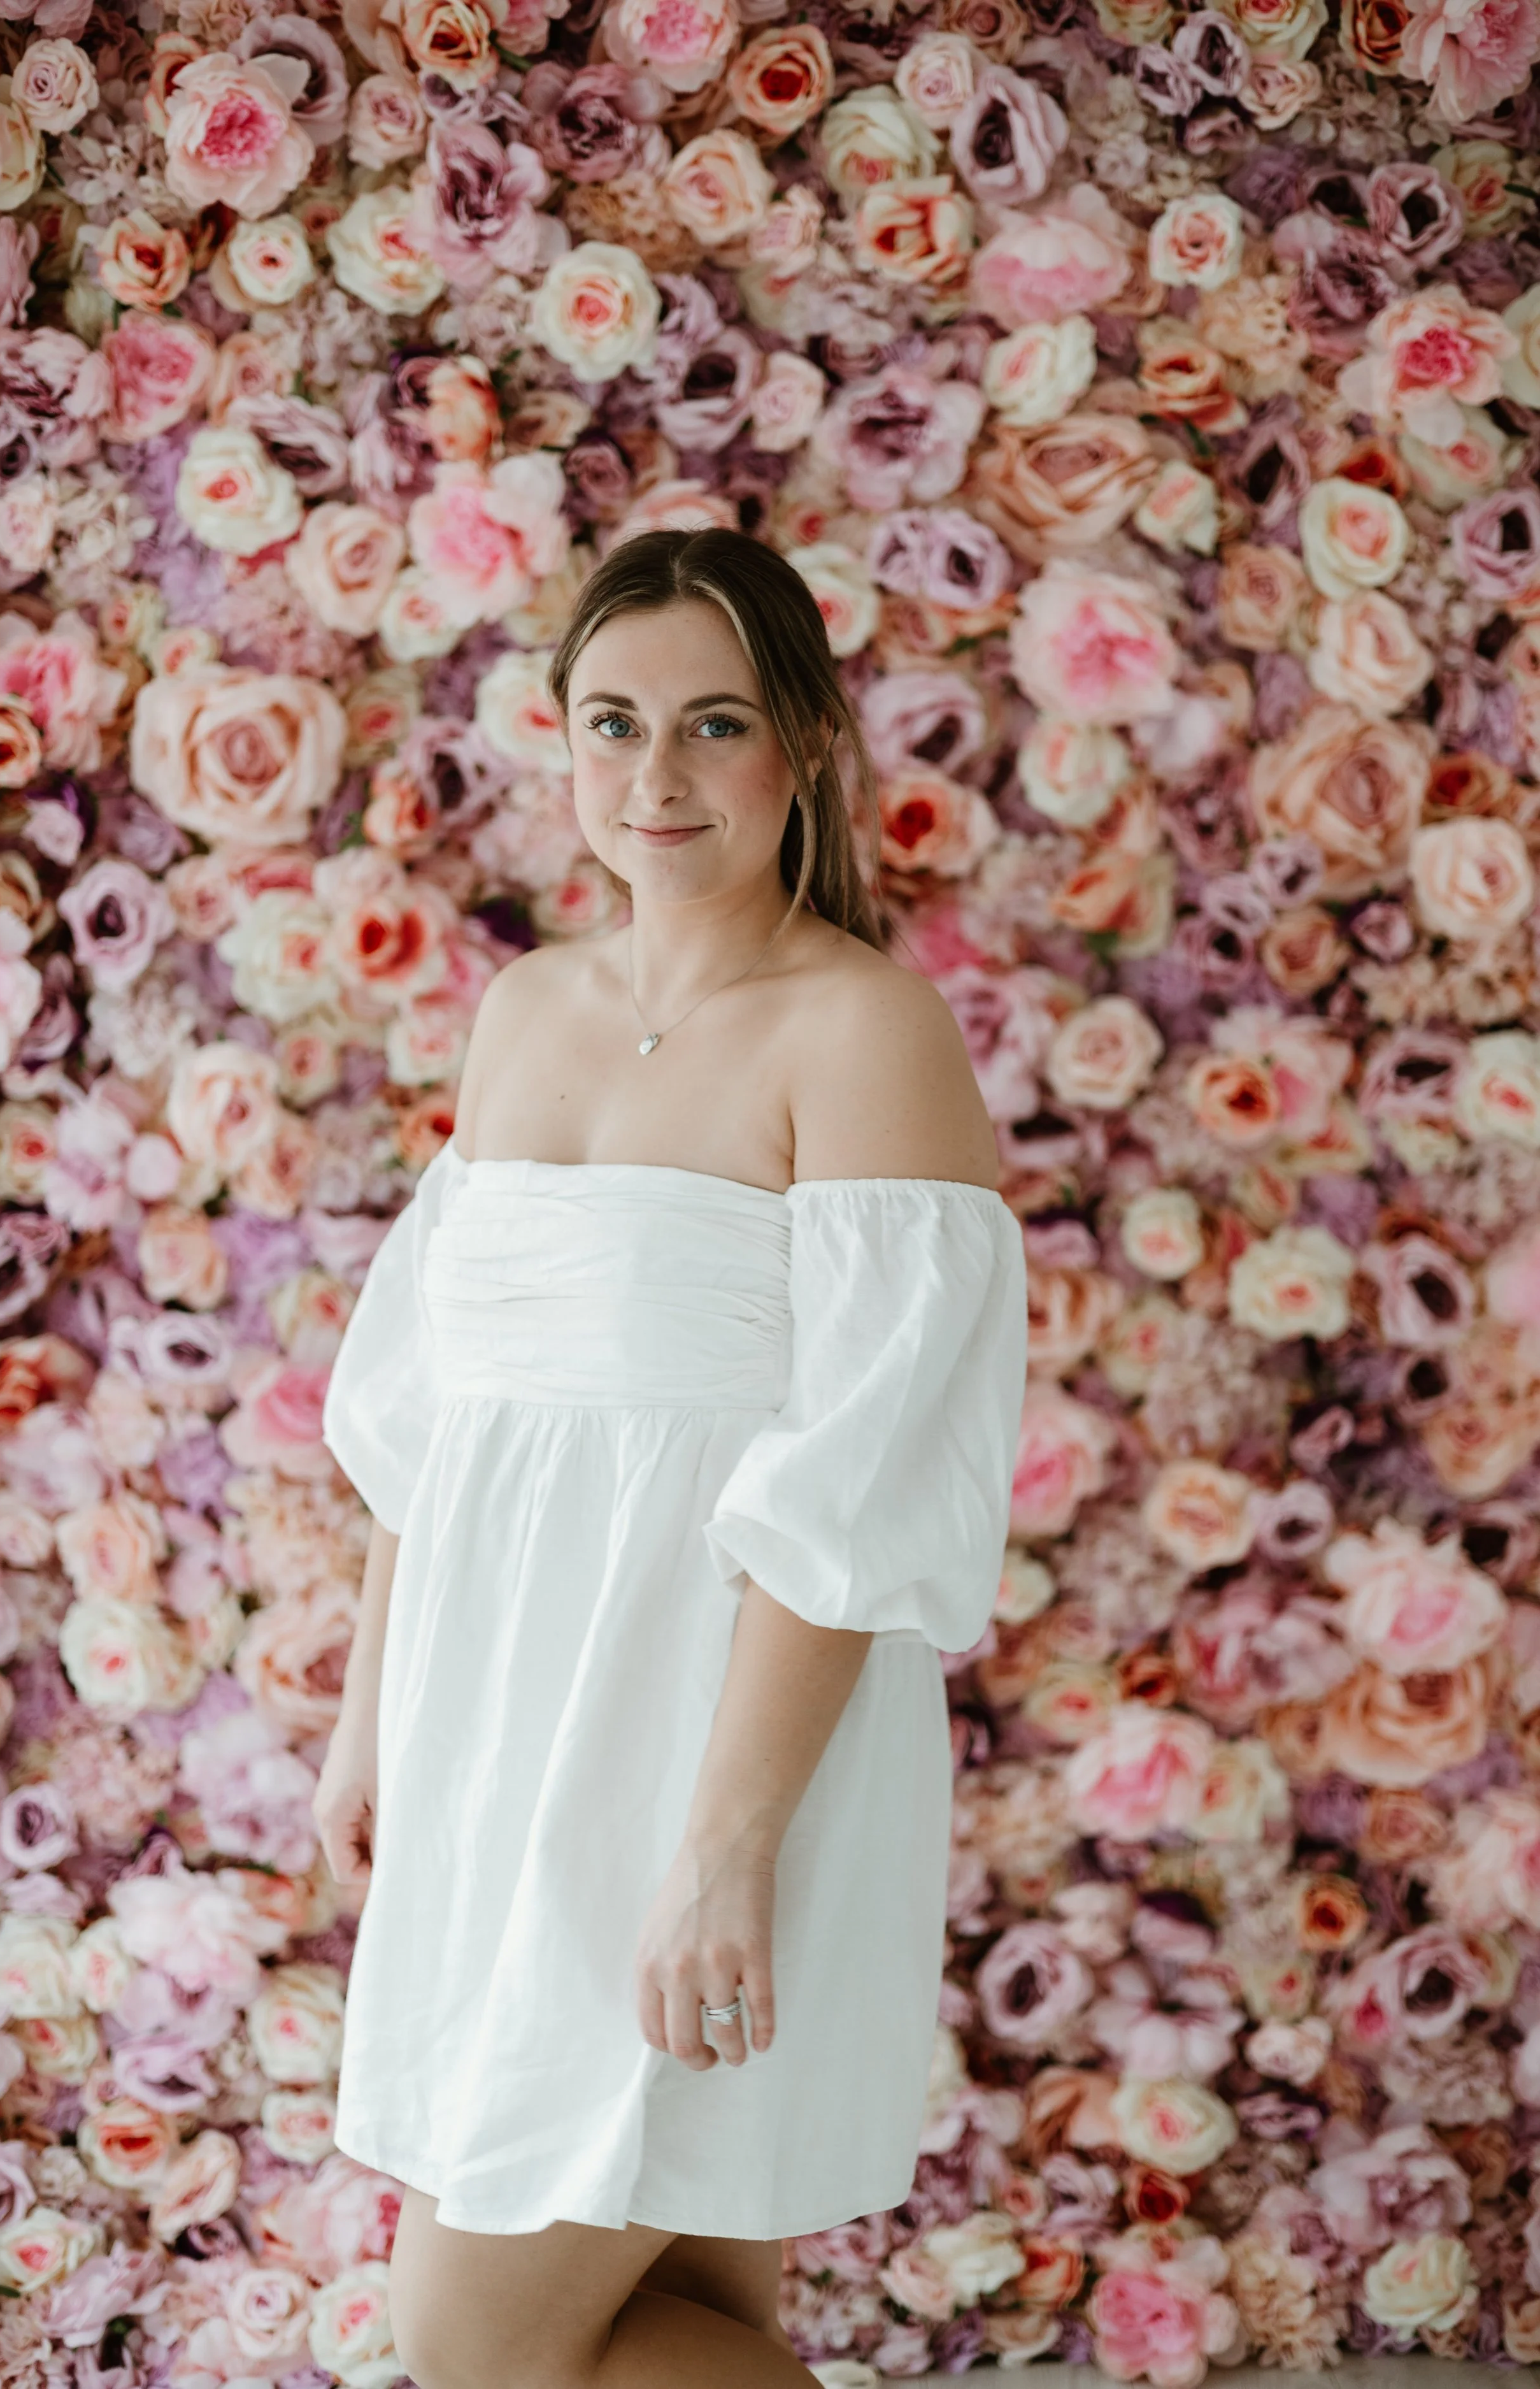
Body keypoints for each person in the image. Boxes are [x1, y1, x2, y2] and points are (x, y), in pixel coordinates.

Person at [313, 527, 1028, 2389]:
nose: (655, 775)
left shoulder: (862, 1031)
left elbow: (853, 1490)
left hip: (717, 1741)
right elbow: (441, 1411)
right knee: (692, 2296)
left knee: (476, 2341)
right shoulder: (524, 1012)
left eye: (712, 724)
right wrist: (369, 1715)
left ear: (797, 744)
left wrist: (724, 1844)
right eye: (613, 722)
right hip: (505, 1721)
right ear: (560, 743)